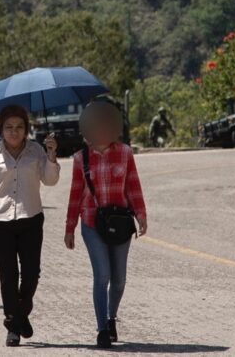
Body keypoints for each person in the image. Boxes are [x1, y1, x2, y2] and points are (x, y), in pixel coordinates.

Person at [0, 105, 60, 347]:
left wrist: (51, 156)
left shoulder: (37, 150)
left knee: (31, 274)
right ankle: (14, 324)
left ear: (26, 129)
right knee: (8, 275)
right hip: (0, 222)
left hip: (31, 218)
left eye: (19, 127)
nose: (14, 132)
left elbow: (50, 180)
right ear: (1, 129)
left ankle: (19, 315)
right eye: (8, 127)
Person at [64, 99, 147, 349]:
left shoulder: (125, 153)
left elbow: (133, 185)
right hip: (91, 222)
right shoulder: (81, 159)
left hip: (121, 221)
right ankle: (101, 329)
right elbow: (76, 194)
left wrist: (141, 214)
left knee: (119, 279)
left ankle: (112, 318)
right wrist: (70, 228)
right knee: (102, 275)